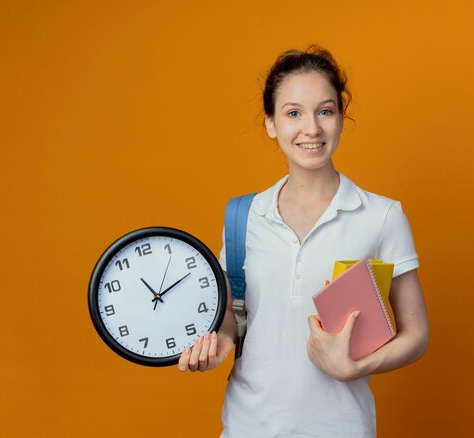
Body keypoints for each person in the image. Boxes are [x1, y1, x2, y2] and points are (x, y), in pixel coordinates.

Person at [178, 46, 430, 437]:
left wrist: (356, 367)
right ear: (271, 124)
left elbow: (416, 335)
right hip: (249, 425)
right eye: (293, 113)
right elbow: (236, 314)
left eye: (324, 111)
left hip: (342, 427)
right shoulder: (243, 216)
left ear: (341, 119)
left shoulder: (381, 216)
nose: (310, 128)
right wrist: (218, 344)